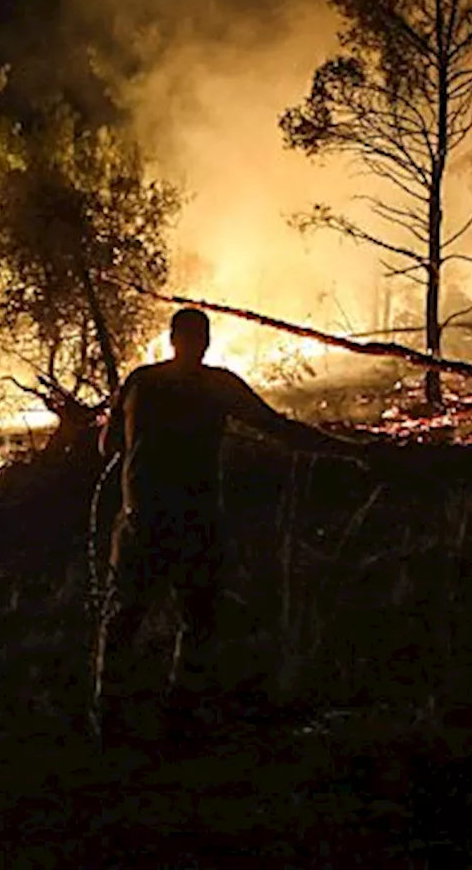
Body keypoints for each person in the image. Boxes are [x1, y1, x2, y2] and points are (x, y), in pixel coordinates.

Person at [95, 307, 365, 741]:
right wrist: (350, 450)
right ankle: (181, 711)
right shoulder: (218, 386)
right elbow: (280, 430)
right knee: (198, 619)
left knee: (124, 617)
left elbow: (108, 447)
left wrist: (134, 434)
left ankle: (109, 717)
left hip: (140, 521)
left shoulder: (140, 381)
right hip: (195, 522)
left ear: (171, 339)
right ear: (204, 342)